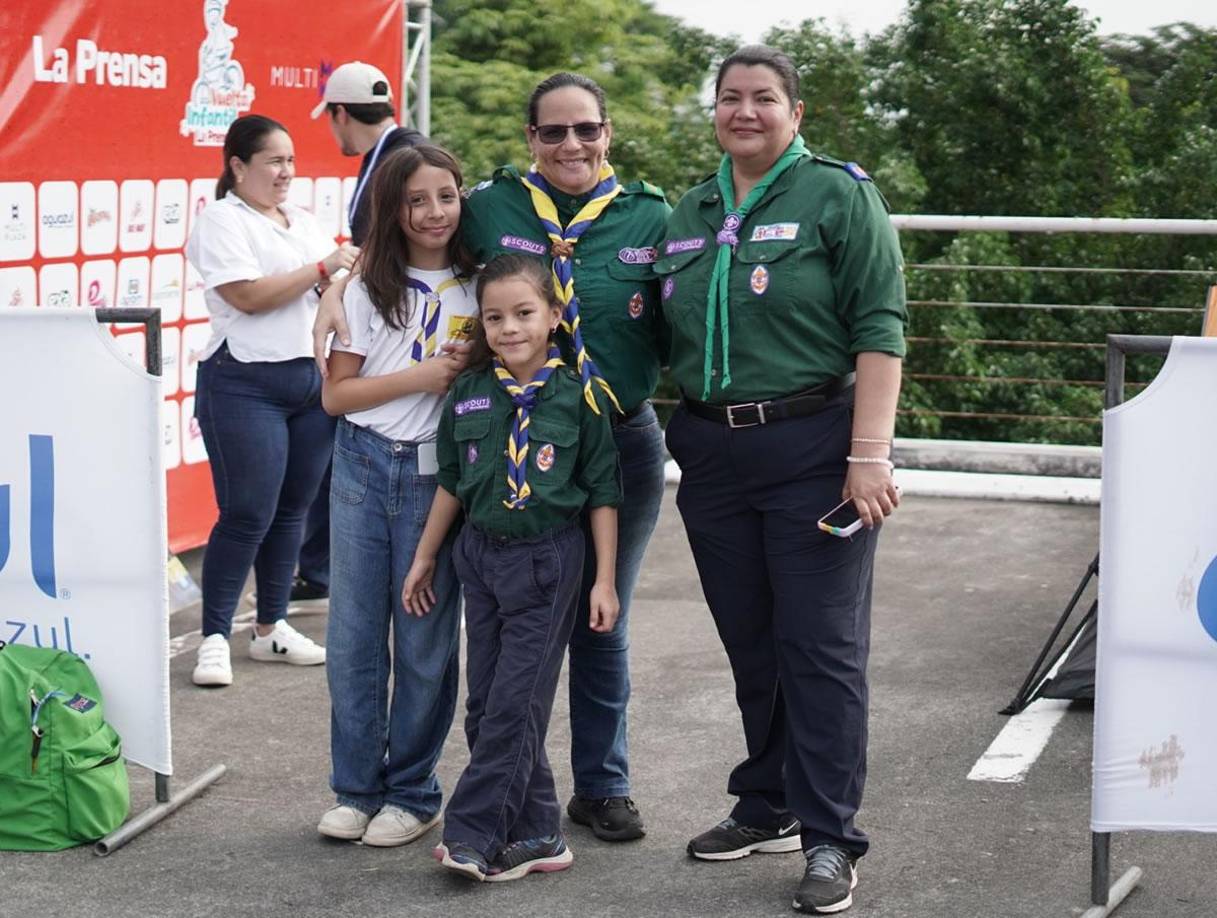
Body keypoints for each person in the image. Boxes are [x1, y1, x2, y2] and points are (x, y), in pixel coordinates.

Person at [315, 72, 669, 841]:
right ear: (528, 140)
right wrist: (337, 281)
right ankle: (490, 786)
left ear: (607, 131)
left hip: (612, 437)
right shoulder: (491, 206)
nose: (570, 144)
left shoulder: (651, 212)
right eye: (552, 132)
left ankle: (600, 786)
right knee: (495, 627)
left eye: (585, 129)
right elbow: (402, 227)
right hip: (493, 446)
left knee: (599, 617)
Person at [655, 46, 906, 914]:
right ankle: (767, 804)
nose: (745, 112)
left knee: (819, 649)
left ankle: (831, 834)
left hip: (814, 449)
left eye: (764, 98)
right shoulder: (686, 209)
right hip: (712, 454)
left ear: (795, 113)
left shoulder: (837, 193)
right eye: (731, 98)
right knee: (752, 643)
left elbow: (880, 328)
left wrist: (868, 454)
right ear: (714, 112)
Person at [402, 253, 621, 882]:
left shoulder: (580, 395)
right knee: (487, 706)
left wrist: (604, 580)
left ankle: (473, 835)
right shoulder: (470, 394)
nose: (509, 328)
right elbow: (452, 481)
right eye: (494, 317)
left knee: (514, 707)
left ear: (553, 316)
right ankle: (540, 833)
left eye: (524, 313)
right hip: (480, 557)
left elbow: (604, 491)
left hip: (548, 560)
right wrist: (425, 557)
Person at [314, 144, 478, 845]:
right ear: (393, 209)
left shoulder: (482, 283)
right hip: (360, 464)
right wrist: (419, 378)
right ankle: (355, 788)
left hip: (437, 480)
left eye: (445, 195)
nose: (433, 212)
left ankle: (412, 792)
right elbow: (334, 396)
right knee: (353, 639)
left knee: (423, 642)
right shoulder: (364, 284)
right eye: (416, 200)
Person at [185, 113, 358, 687]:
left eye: (290, 161)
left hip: (309, 384)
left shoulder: (302, 221)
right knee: (247, 513)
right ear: (238, 166)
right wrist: (320, 267)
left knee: (293, 511)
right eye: (274, 161)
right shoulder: (221, 220)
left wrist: (334, 277)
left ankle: (271, 628)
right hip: (242, 383)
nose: (286, 172)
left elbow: (327, 289)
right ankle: (214, 637)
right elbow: (249, 296)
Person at [291, 61, 429, 607]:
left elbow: (395, 248)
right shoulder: (392, 152)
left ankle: (350, 575)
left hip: (399, 340)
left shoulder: (399, 157)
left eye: (331, 120)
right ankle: (330, 571)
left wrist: (339, 284)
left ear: (340, 114)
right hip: (388, 334)